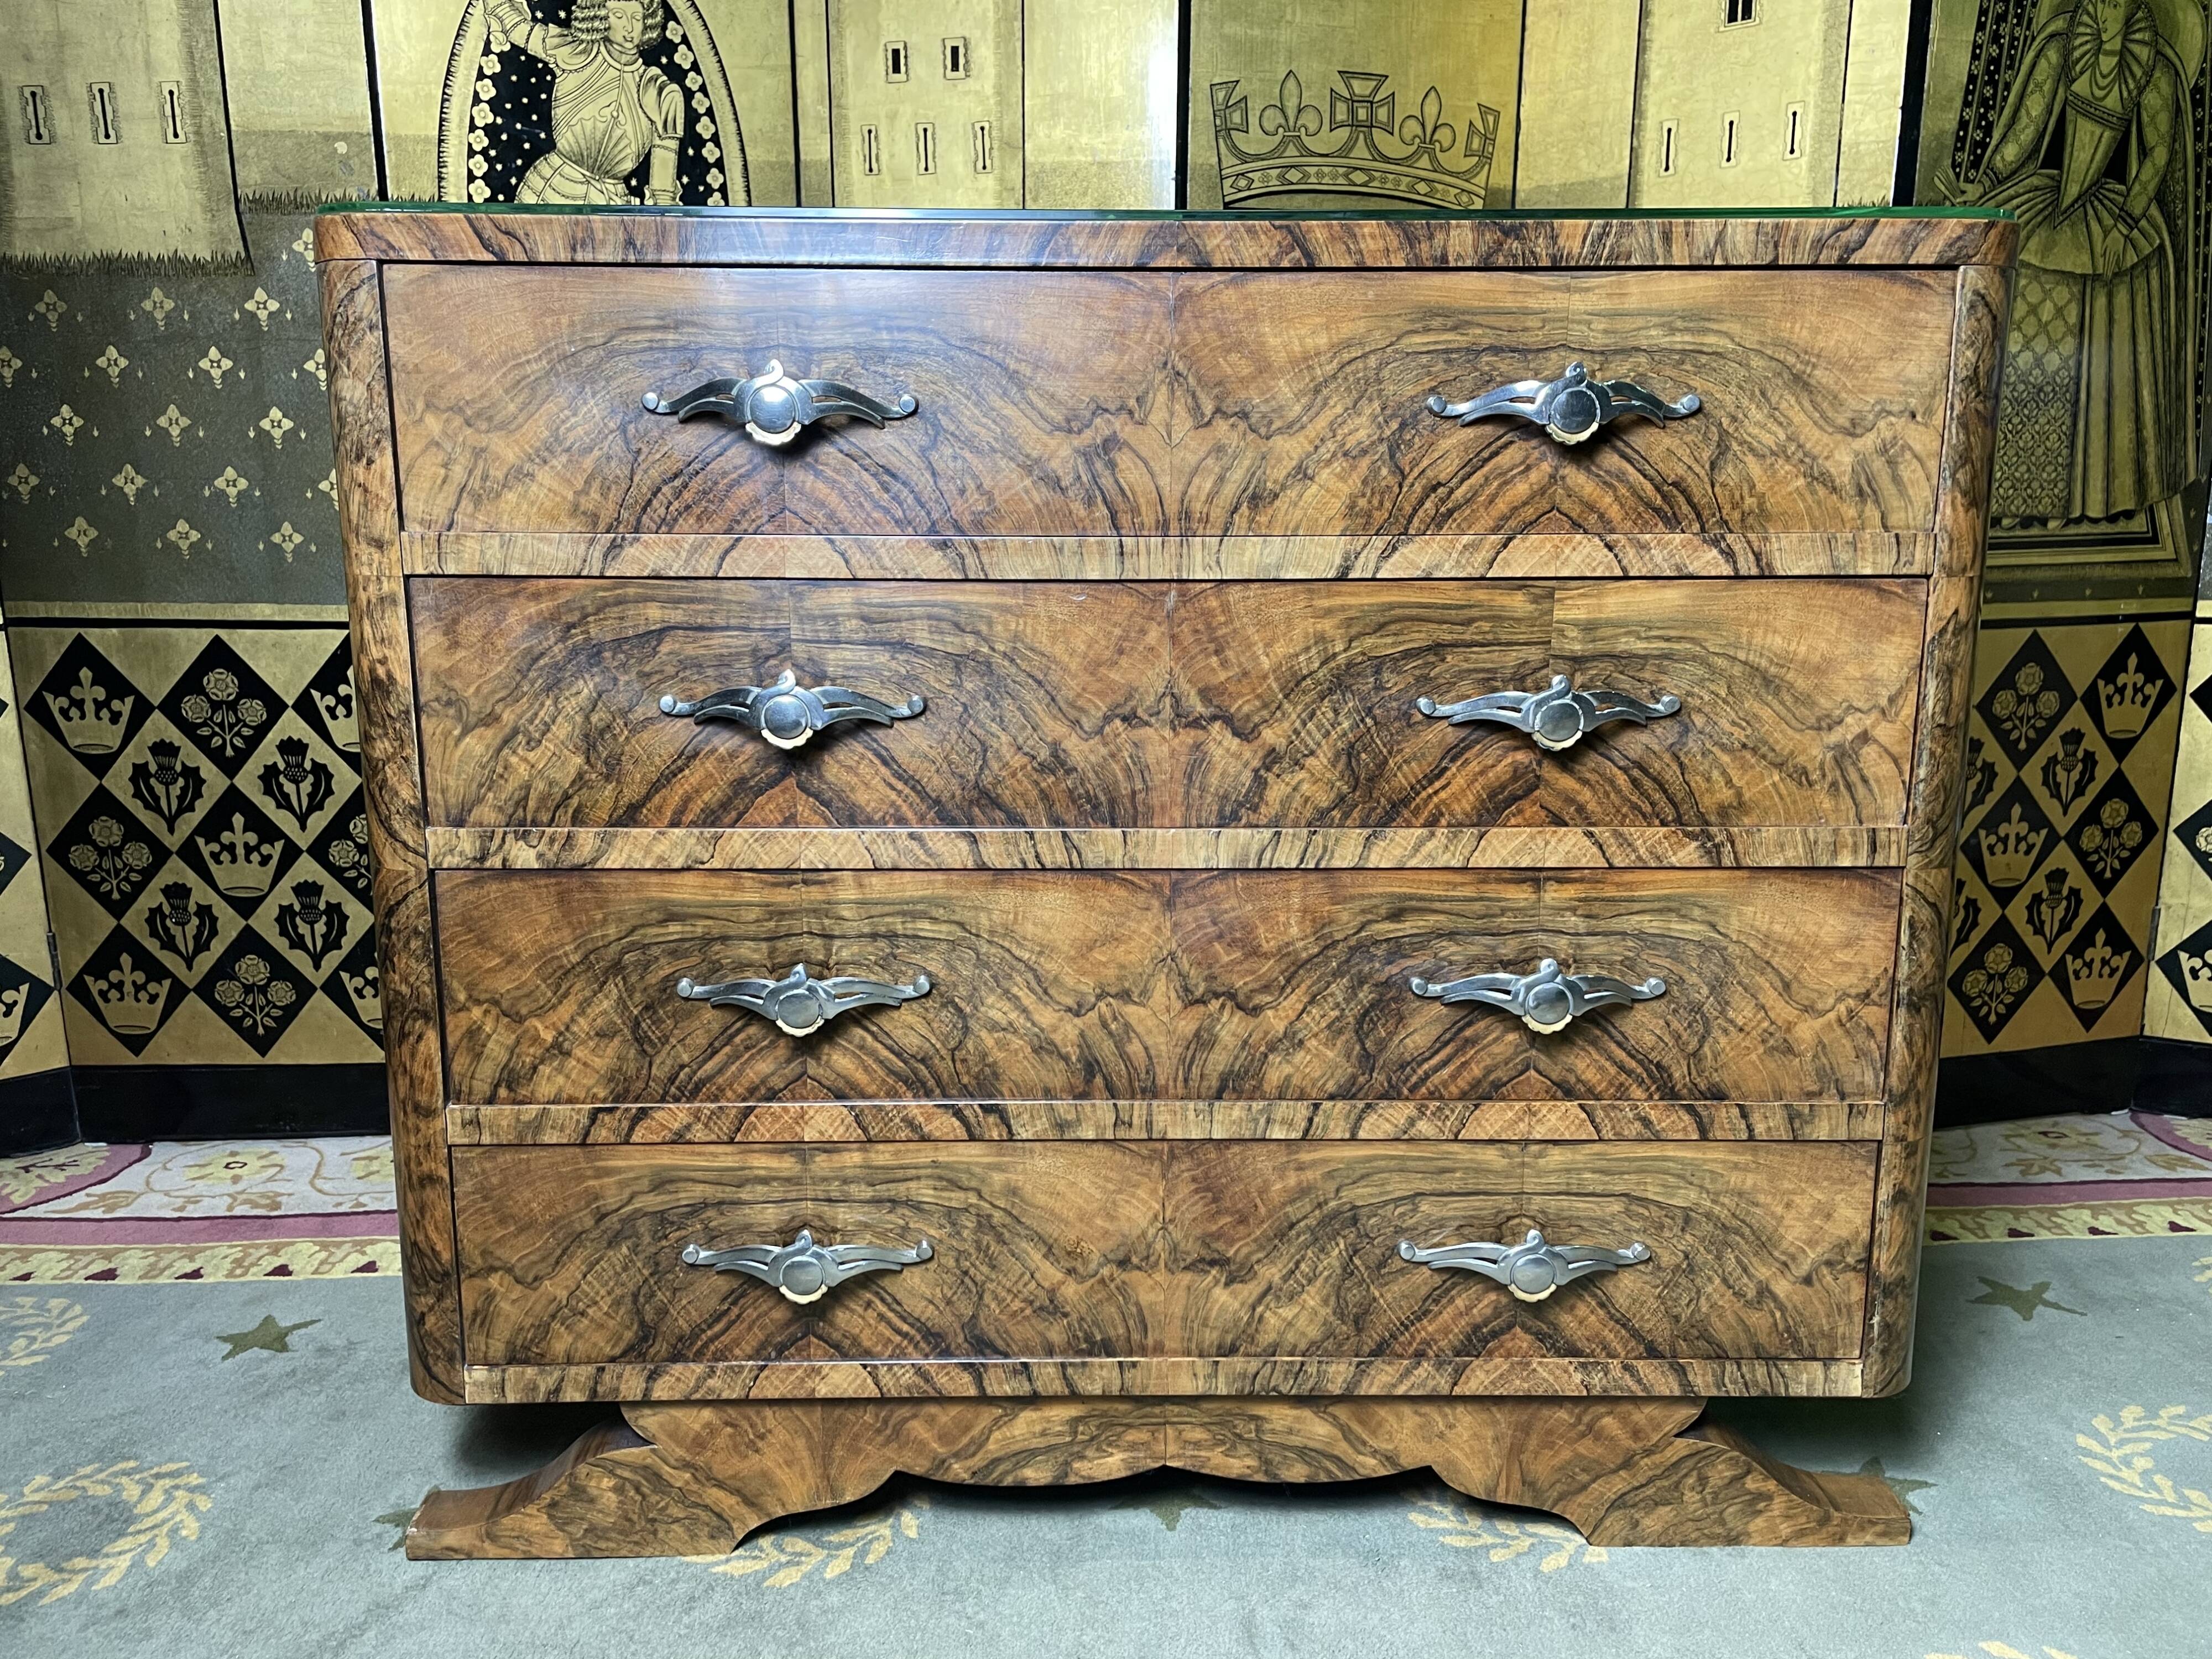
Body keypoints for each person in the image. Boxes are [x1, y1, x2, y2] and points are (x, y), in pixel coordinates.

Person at [485, 0, 685, 205]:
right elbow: (520, 30)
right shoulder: (577, 50)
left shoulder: (658, 89)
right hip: (550, 189)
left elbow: (663, 191)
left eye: (637, 18)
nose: (630, 27)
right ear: (600, 16)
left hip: (613, 204)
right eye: (619, 15)